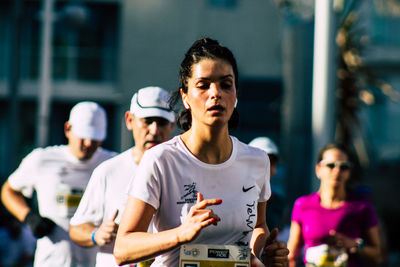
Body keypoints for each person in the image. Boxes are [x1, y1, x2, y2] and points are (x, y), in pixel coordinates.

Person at [113, 37, 289, 267]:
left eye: (226, 84)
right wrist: (181, 233)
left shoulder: (257, 160)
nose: (215, 93)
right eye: (203, 85)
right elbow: (123, 248)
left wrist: (261, 254)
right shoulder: (161, 159)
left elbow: (258, 226)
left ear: (235, 94)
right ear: (185, 97)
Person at [69, 86, 175, 267]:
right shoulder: (108, 171)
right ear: (129, 120)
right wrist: (96, 234)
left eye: (162, 122)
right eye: (147, 121)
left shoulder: (181, 171)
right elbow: (76, 228)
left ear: (172, 125)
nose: (154, 130)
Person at [1, 101, 117, 267]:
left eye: (95, 138)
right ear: (68, 129)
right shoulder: (42, 159)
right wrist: (28, 217)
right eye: (84, 136)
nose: (89, 143)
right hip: (51, 261)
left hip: (96, 262)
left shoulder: (112, 163)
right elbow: (9, 190)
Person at [287, 143, 382, 267]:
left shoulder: (362, 206)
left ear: (349, 172)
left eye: (344, 167)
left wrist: (354, 244)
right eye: (331, 165)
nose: (337, 171)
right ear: (318, 169)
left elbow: (378, 256)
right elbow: (292, 255)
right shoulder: (302, 204)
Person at [249, 137, 287, 231]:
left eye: (272, 163)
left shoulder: (279, 203)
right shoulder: (234, 196)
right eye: (263, 162)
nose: (270, 169)